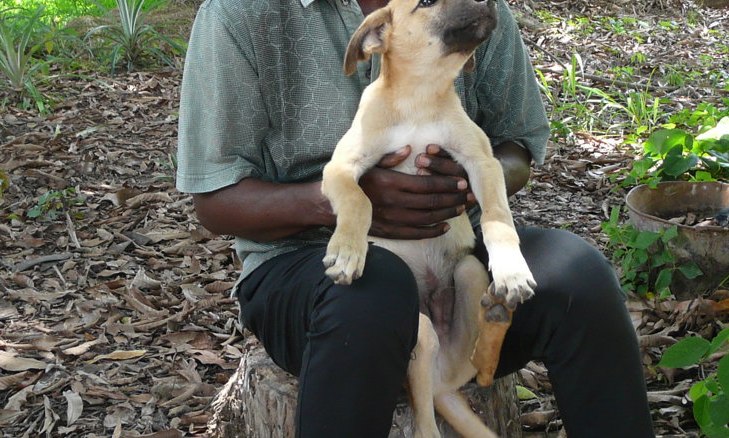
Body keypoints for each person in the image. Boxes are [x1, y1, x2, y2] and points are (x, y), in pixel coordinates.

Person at [175, 0, 655, 436]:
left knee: (578, 274)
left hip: (452, 250)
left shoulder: (471, 9)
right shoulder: (240, 15)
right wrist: (344, 203)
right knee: (373, 295)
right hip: (306, 264)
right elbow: (216, 202)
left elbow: (517, 145)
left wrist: (464, 182)